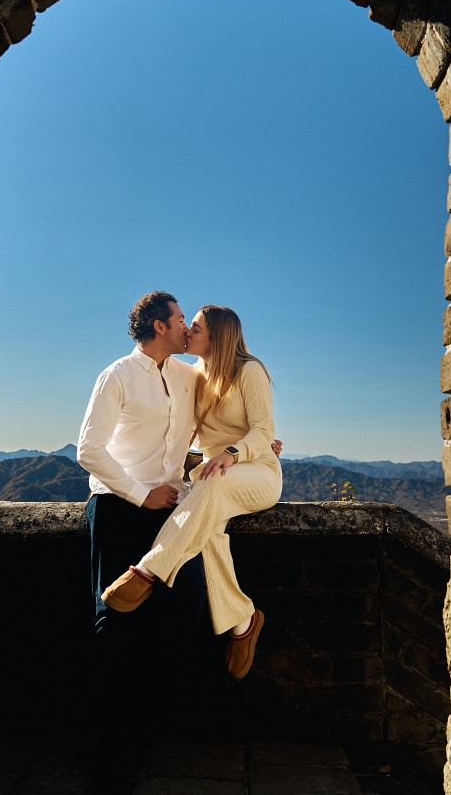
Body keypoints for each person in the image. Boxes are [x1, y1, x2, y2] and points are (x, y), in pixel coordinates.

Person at [100, 304, 282, 680]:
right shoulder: (194, 376)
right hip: (215, 478)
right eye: (186, 324)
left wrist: (238, 452)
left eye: (194, 327)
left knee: (207, 485)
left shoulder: (250, 371)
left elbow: (262, 430)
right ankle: (244, 621)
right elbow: (186, 432)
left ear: (217, 335)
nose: (188, 332)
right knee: (206, 529)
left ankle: (150, 570)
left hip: (257, 474)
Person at [76, 291, 209, 789]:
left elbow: (210, 426)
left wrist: (252, 443)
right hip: (116, 507)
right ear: (159, 326)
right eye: (179, 320)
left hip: (171, 513)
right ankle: (110, 753)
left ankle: (149, 728)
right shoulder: (117, 376)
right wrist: (137, 493)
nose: (186, 328)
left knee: (188, 603)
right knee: (114, 621)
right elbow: (88, 449)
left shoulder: (187, 376)